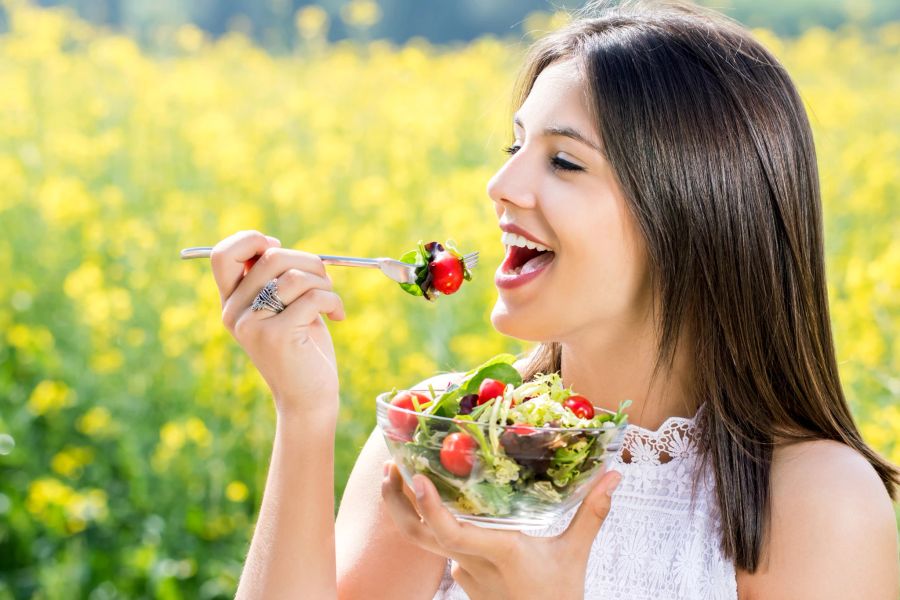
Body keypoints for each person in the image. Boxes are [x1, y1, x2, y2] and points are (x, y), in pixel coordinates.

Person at [208, 1, 900, 598]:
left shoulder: (816, 500)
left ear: (696, 213)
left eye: (564, 161)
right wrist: (303, 413)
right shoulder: (448, 438)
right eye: (514, 145)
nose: (499, 185)